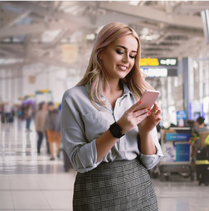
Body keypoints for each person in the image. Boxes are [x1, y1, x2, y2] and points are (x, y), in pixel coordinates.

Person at [61, 22, 163, 210]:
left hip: (140, 192)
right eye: (120, 51)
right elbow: (79, 161)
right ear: (100, 52)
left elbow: (150, 162)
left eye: (132, 55)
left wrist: (147, 131)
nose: (127, 60)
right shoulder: (74, 98)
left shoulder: (139, 96)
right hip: (95, 192)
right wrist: (118, 129)